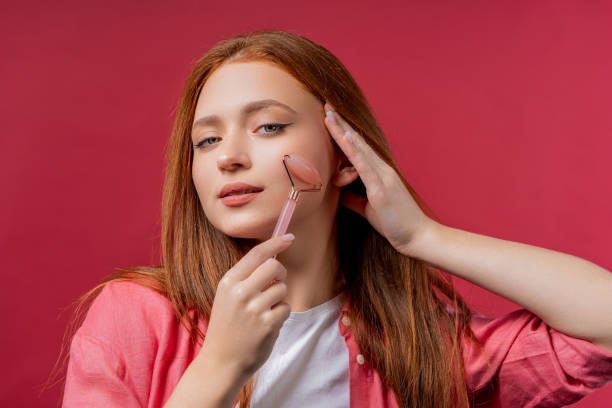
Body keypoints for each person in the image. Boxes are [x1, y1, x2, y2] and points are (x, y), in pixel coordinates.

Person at [52, 29, 612, 408]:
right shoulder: (135, 316)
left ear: (344, 155)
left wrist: (425, 236)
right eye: (207, 139)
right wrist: (220, 365)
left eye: (268, 126)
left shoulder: (418, 344)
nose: (228, 156)